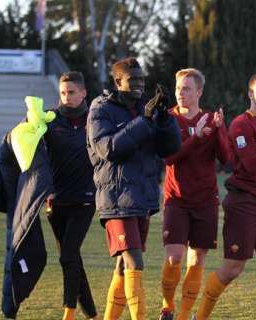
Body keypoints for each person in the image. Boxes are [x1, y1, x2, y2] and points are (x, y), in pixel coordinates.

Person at [193, 72, 256, 320]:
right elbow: (252, 165)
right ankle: (200, 316)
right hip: (244, 203)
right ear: (250, 94)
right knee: (232, 269)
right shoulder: (241, 124)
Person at [86, 57, 180, 320]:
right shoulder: (100, 108)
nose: (139, 85)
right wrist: (145, 121)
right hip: (115, 199)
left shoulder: (145, 108)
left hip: (142, 199)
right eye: (133, 80)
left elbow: (170, 148)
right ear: (118, 81)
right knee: (134, 263)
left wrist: (164, 118)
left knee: (122, 267)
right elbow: (108, 149)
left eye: (142, 80)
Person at [158, 68, 230, 320]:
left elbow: (226, 158)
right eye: (178, 88)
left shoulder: (212, 119)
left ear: (198, 92)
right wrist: (196, 137)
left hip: (205, 201)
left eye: (186, 89)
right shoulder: (168, 119)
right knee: (173, 257)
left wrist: (219, 131)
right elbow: (169, 158)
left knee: (197, 260)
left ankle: (183, 314)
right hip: (177, 199)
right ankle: (167, 306)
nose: (181, 93)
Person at [43, 71, 98, 320]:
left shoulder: (95, 119)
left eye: (72, 92)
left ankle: (69, 312)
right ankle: (93, 315)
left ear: (84, 93)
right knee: (71, 257)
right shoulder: (50, 119)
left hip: (85, 199)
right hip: (55, 201)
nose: (66, 97)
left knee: (68, 255)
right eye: (63, 93)